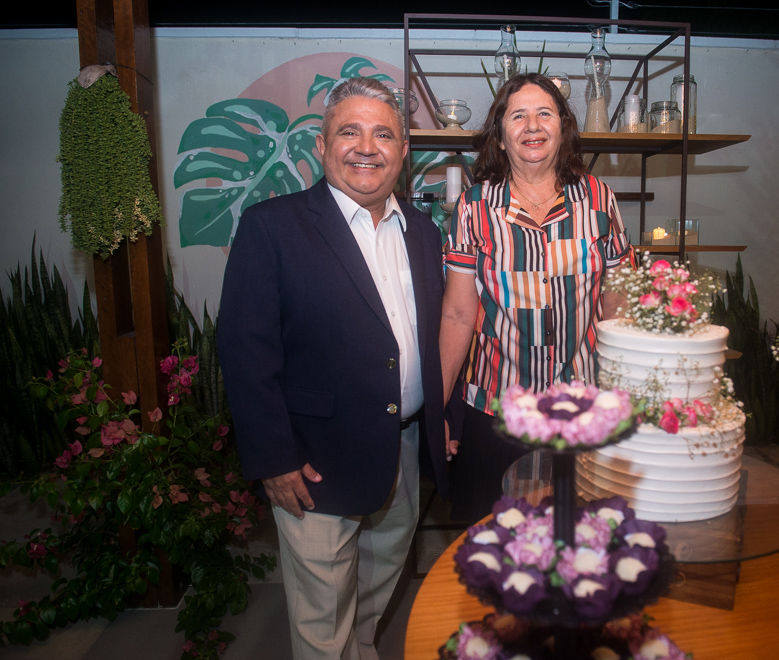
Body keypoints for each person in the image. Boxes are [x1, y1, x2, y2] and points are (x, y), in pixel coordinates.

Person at [217, 77, 450, 660]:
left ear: (403, 152)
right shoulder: (271, 227)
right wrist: (274, 458)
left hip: (401, 448)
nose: (366, 147)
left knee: (377, 584)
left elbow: (424, 336)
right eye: (349, 131)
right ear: (321, 146)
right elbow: (246, 351)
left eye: (383, 134)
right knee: (321, 619)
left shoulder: (423, 233)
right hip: (313, 461)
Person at [440, 72, 633, 522]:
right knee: (492, 546)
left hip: (580, 411)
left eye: (544, 113)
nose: (532, 125)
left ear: (562, 128)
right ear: (501, 136)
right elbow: (455, 313)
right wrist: (439, 406)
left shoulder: (599, 199)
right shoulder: (474, 206)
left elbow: (618, 305)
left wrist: (629, 393)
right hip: (494, 413)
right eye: (518, 115)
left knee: (580, 541)